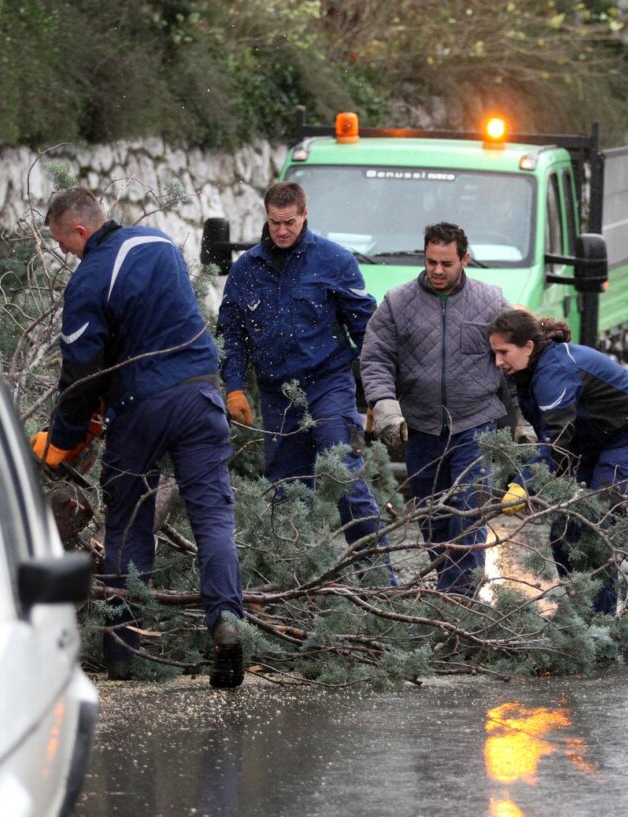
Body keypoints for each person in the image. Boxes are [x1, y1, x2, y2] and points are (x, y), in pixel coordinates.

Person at [33, 187, 245, 689]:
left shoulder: (88, 281)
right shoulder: (159, 243)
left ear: (81, 230)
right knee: (213, 515)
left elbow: (82, 375)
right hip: (201, 396)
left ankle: (123, 652)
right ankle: (226, 623)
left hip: (142, 407)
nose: (64, 253)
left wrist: (63, 441)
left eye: (63, 242)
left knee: (128, 525)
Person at [217, 181, 393, 583]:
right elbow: (231, 334)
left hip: (328, 382)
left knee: (344, 475)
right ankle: (290, 583)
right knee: (286, 490)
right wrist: (233, 386)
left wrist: (376, 392)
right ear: (267, 217)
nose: (282, 231)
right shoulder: (247, 270)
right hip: (277, 393)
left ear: (305, 215)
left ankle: (379, 577)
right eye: (275, 223)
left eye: (290, 222)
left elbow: (367, 328)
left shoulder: (334, 261)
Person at [360, 222, 511, 594]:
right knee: (433, 518)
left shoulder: (491, 301)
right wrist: (384, 403)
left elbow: (517, 356)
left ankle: (460, 600)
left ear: (465, 259)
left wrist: (526, 420)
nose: (438, 271)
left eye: (447, 263)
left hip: (474, 424)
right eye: (431, 262)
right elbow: (375, 357)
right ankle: (451, 592)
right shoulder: (398, 302)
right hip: (421, 427)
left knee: (468, 510)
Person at [488, 310, 628, 614]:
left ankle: (600, 623)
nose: (498, 361)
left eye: (504, 352)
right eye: (494, 352)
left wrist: (523, 484)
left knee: (592, 526)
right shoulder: (526, 369)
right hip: (593, 439)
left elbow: (556, 441)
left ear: (528, 347)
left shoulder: (555, 370)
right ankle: (578, 611)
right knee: (564, 529)